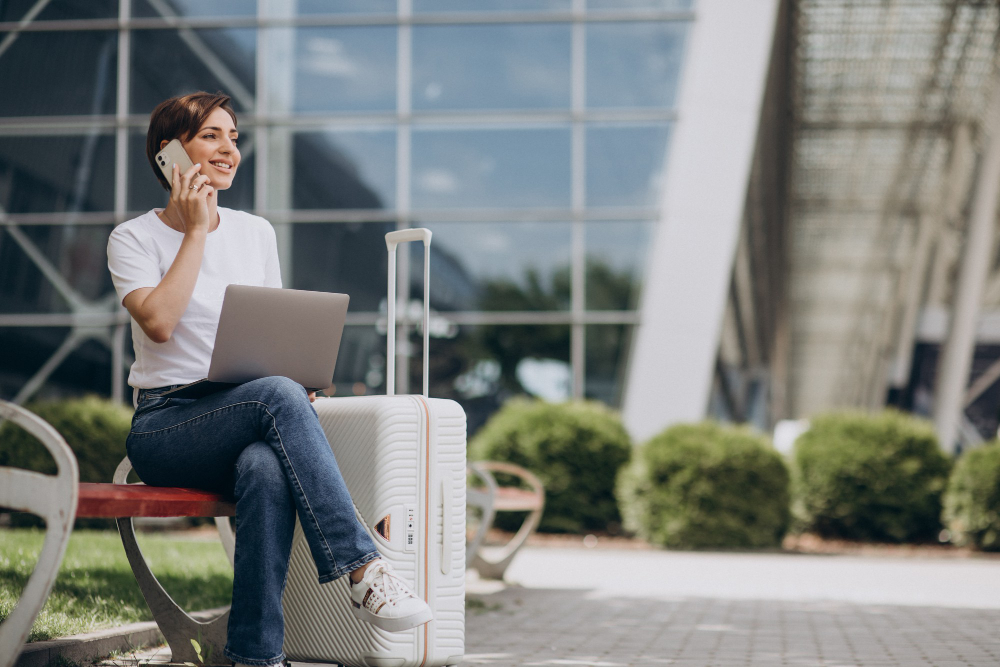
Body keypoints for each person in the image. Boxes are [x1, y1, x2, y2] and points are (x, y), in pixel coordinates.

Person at [106, 91, 432, 667]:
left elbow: (271, 337)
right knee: (277, 397)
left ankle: (254, 658)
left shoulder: (256, 232)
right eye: (211, 136)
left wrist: (296, 373)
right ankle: (363, 567)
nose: (229, 149)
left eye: (233, 137)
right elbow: (158, 323)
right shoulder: (132, 238)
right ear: (169, 155)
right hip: (166, 425)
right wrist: (197, 233)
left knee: (265, 466)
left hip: (249, 407)